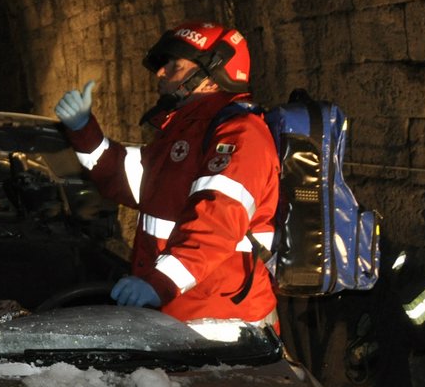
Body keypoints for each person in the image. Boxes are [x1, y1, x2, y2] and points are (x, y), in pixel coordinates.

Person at [53, 20, 279, 325]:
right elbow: (130, 181)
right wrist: (84, 131)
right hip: (174, 313)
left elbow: (217, 222)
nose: (161, 72)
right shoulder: (183, 130)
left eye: (174, 65)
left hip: (221, 323)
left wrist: (158, 283)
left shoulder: (239, 133)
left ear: (210, 75)